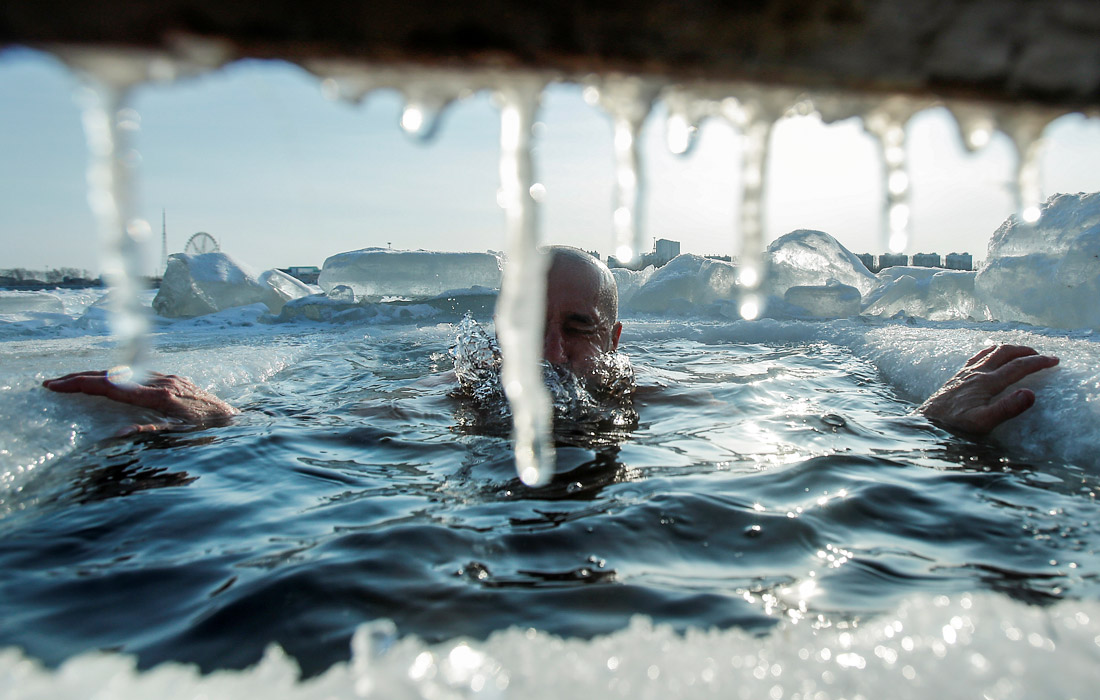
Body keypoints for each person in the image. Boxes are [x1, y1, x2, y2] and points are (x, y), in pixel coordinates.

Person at [43, 246, 1059, 437]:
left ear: (611, 334)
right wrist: (212, 411)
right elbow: (316, 425)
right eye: (525, 329)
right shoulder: (455, 399)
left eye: (576, 328)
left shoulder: (638, 397)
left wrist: (926, 424)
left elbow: (796, 424)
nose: (551, 357)